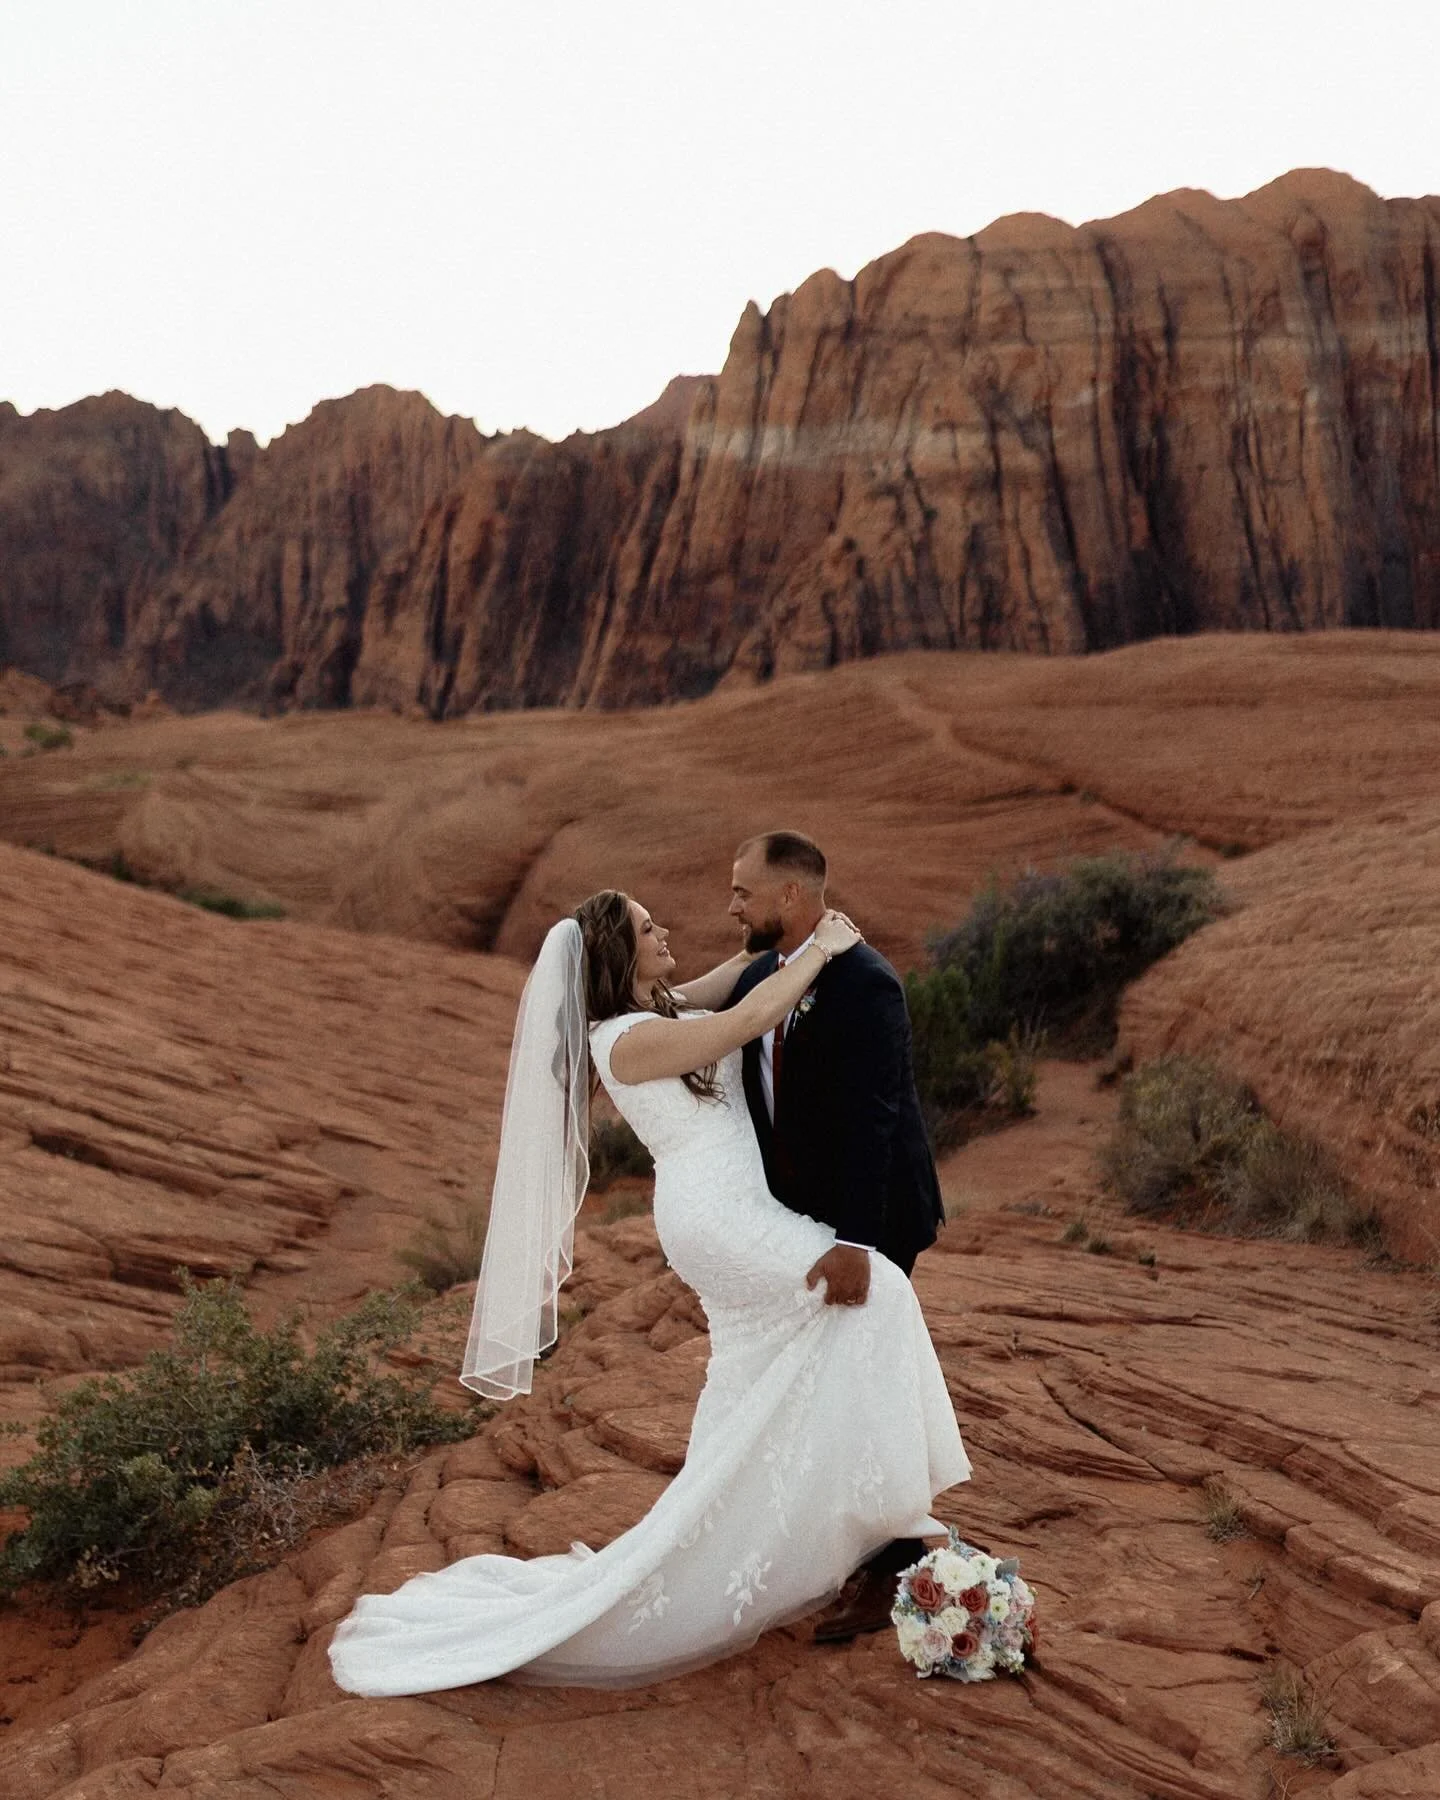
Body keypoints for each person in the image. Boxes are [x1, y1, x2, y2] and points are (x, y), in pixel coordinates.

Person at [328, 889, 968, 1695]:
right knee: (878, 1299)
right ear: (618, 957)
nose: (665, 932)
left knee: (754, 1374)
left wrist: (775, 938)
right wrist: (823, 949)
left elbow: (725, 981)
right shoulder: (624, 1041)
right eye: (647, 929)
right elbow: (740, 1022)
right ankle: (878, 1531)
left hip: (731, 1209)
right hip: (719, 1219)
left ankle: (852, 1534)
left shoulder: (653, 1008)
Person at [725, 830, 947, 1638]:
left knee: (863, 1381)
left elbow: (875, 1123)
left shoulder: (867, 984)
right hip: (803, 1221)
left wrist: (856, 1242)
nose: (732, 905)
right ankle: (854, 1545)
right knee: (829, 1382)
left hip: (874, 1218)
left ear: (791, 896)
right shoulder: (760, 976)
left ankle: (892, 1561)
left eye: (744, 891)